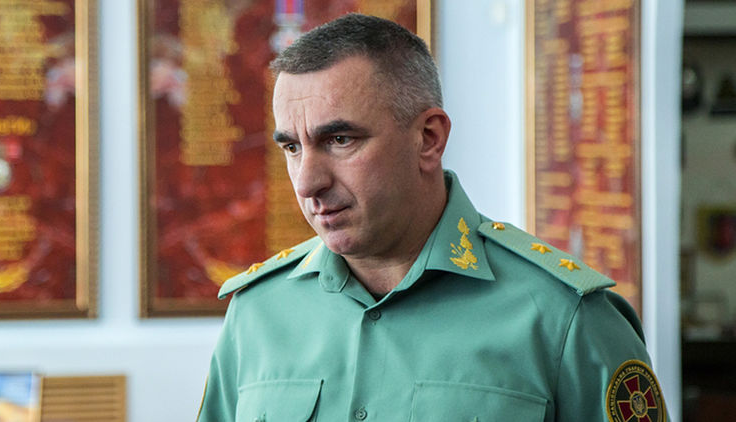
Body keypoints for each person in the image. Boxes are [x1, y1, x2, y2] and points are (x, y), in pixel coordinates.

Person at [197, 13, 667, 422]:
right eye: (292, 147)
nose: (306, 183)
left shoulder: (564, 317)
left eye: (340, 140)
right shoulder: (257, 313)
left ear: (428, 138)